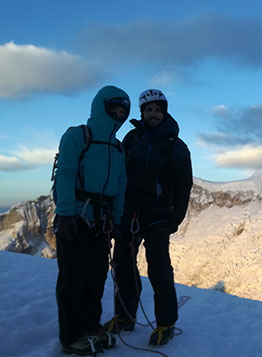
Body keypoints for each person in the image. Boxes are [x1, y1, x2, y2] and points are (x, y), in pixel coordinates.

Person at [104, 89, 192, 346]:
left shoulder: (175, 145)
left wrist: (175, 218)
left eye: (157, 110)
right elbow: (121, 175)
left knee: (159, 270)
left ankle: (166, 322)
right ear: (141, 113)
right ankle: (125, 316)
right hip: (129, 213)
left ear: (164, 113)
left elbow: (182, 184)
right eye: (148, 110)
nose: (153, 114)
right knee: (123, 265)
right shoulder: (132, 139)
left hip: (157, 217)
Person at [54, 85, 129, 355]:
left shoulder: (117, 148)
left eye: (123, 112)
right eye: (114, 110)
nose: (118, 116)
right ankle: (72, 335)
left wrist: (118, 220)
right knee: (73, 278)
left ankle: (91, 326)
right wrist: (65, 213)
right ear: (102, 108)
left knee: (95, 277)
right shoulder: (78, 136)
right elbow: (65, 173)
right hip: (76, 215)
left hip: (102, 220)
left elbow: (121, 185)